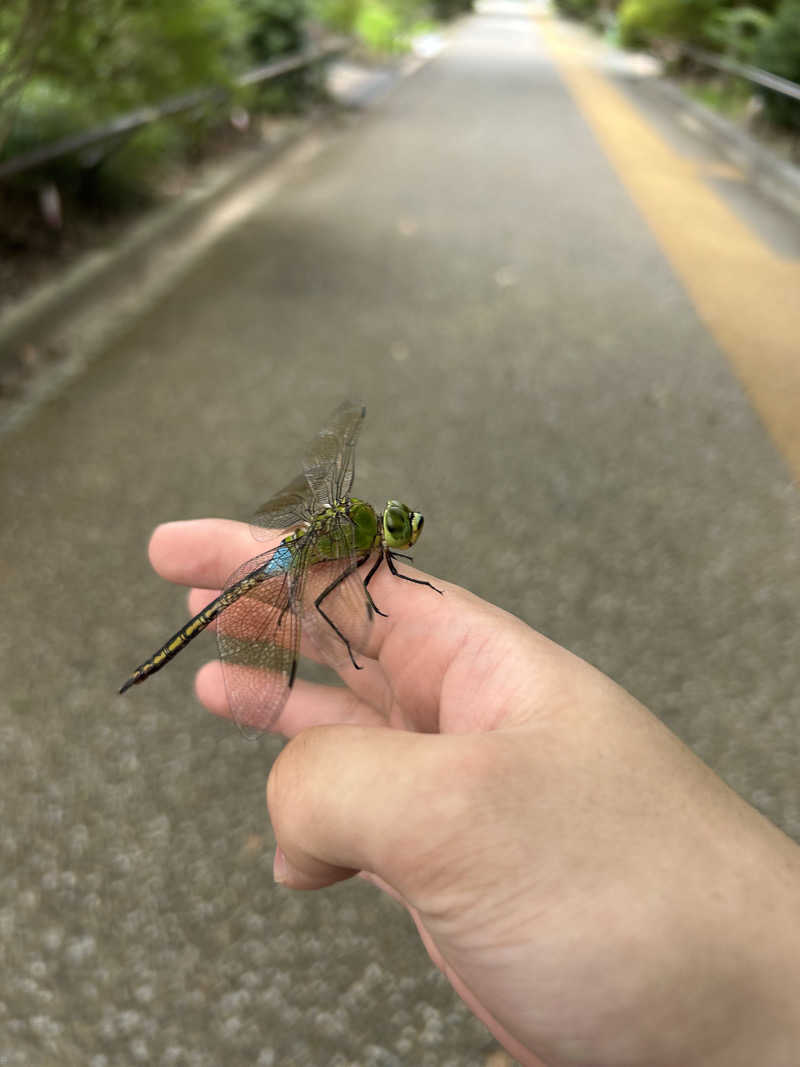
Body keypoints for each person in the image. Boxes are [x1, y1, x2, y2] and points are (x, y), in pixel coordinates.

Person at [147, 518, 800, 1067]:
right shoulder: (359, 559)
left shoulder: (358, 540)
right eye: (398, 527)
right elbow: (348, 597)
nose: (402, 530)